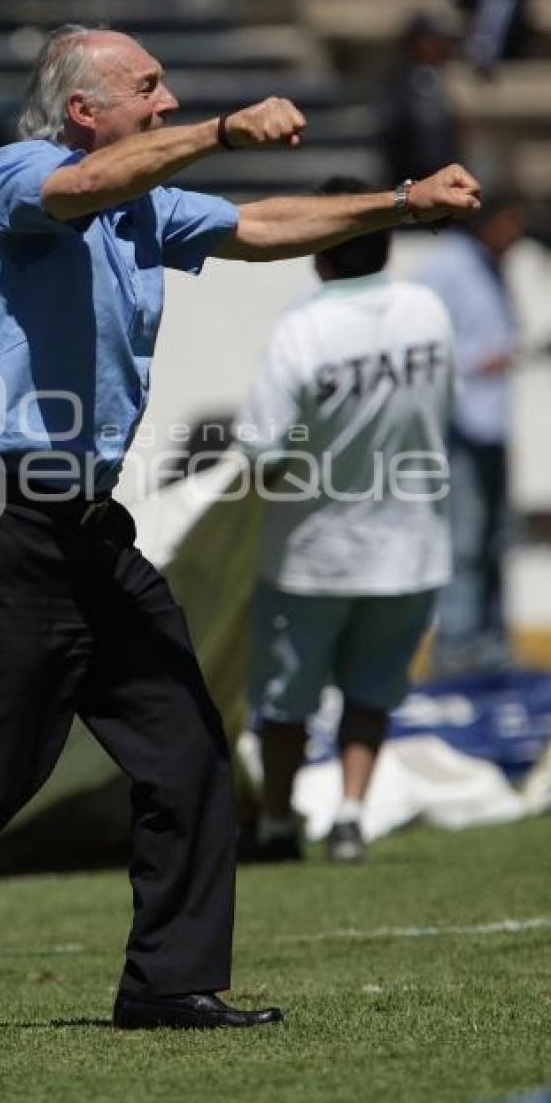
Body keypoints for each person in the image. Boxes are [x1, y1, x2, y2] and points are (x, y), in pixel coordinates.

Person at [0, 26, 481, 1035]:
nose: (164, 102)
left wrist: (397, 204)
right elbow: (80, 193)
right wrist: (220, 129)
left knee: (187, 749)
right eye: (148, 88)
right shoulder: (18, 171)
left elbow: (261, 227)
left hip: (86, 526)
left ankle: (169, 983)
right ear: (84, 109)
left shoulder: (146, 204)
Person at [235, 177, 458, 866]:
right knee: (373, 690)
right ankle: (352, 817)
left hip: (313, 551)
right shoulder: (428, 310)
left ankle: (277, 822)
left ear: (317, 246)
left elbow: (263, 450)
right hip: (415, 545)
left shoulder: (305, 328)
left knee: (286, 702)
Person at [417, 194, 527, 676]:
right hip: (459, 425)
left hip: (491, 424)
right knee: (463, 540)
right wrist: (478, 363)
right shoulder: (448, 266)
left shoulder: (491, 267)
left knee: (495, 537)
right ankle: (457, 648)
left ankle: (490, 644)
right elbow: (425, 344)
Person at [378, 12, 465, 188]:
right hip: (415, 179)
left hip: (442, 177)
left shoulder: (437, 77)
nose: (440, 46)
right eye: (432, 40)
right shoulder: (404, 80)